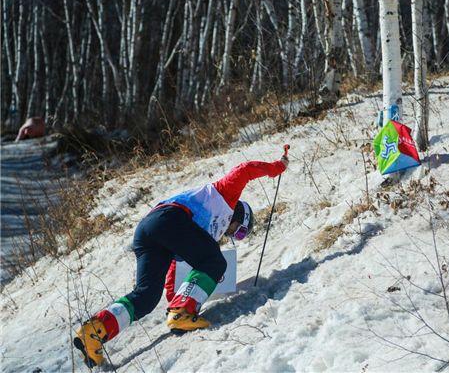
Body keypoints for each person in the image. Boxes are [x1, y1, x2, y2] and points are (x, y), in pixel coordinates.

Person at [73, 155, 288, 367]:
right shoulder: (227, 197)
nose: (233, 236)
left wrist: (173, 300)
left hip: (148, 230)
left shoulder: (205, 234)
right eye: (239, 232)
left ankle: (95, 330)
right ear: (239, 216)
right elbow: (245, 170)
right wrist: (276, 168)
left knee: (147, 296)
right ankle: (183, 312)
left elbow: (174, 273)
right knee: (215, 261)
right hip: (170, 218)